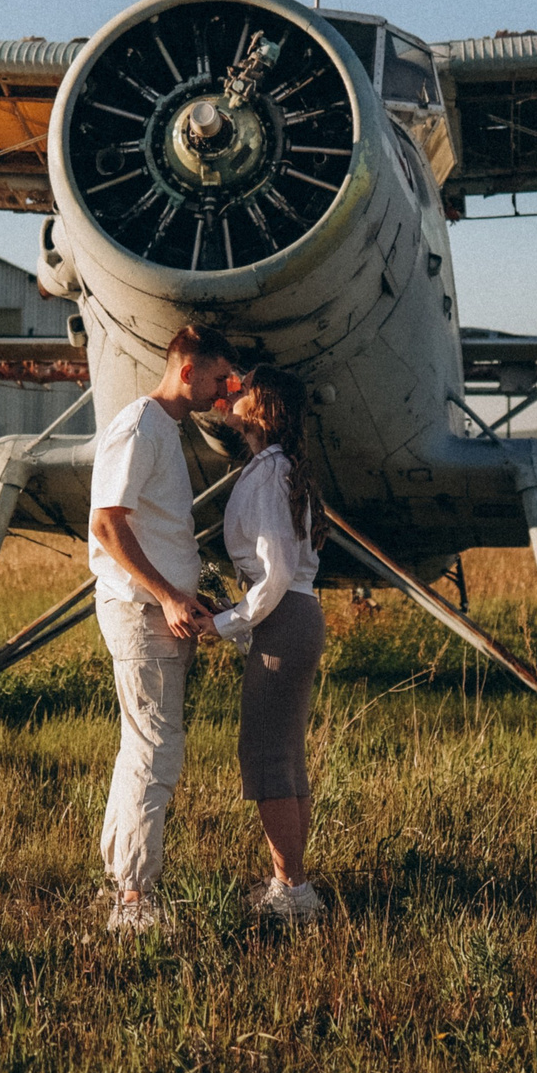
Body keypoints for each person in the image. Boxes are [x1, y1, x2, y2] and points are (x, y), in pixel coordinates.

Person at [88, 322, 238, 932]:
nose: (224, 390)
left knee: (141, 746)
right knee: (156, 750)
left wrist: (184, 593)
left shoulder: (162, 429)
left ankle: (121, 881)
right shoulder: (139, 427)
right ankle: (132, 903)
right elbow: (106, 524)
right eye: (218, 378)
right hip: (142, 613)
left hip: (160, 610)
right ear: (186, 371)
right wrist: (169, 595)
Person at [214, 364, 329, 924]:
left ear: (263, 408)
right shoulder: (279, 467)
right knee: (285, 757)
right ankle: (293, 885)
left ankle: (293, 893)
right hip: (297, 615)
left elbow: (276, 570)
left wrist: (229, 621)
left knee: (266, 760)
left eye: (244, 388)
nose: (232, 392)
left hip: (281, 615)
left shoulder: (268, 473)